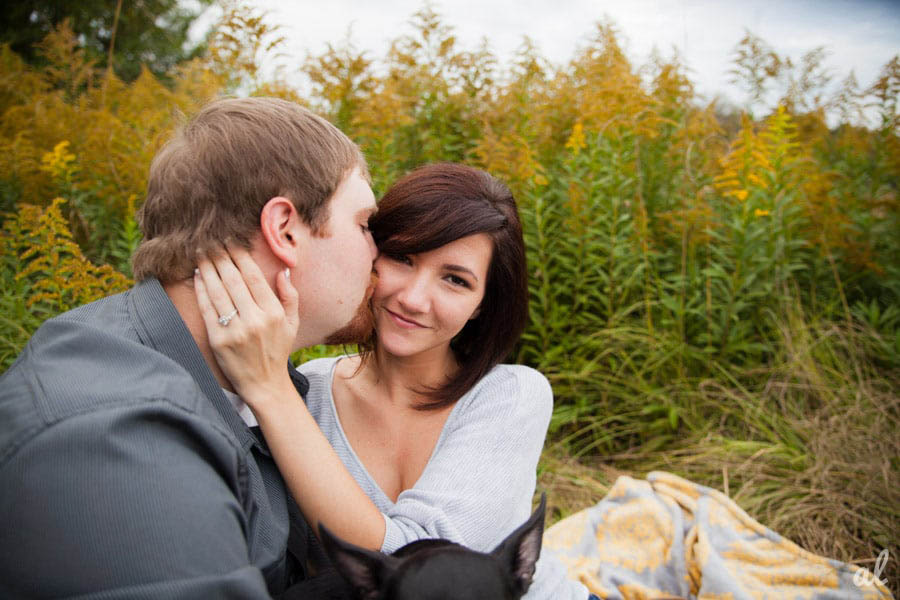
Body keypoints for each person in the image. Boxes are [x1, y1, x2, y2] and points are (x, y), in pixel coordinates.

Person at [0, 97, 378, 598]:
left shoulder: (241, 377)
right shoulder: (118, 443)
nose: (380, 254)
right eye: (365, 225)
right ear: (285, 229)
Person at [193, 163, 590, 599]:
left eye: (455, 280)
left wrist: (270, 389)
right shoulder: (307, 393)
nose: (414, 299)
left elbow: (415, 566)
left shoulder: (510, 395)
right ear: (368, 251)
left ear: (481, 304)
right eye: (403, 258)